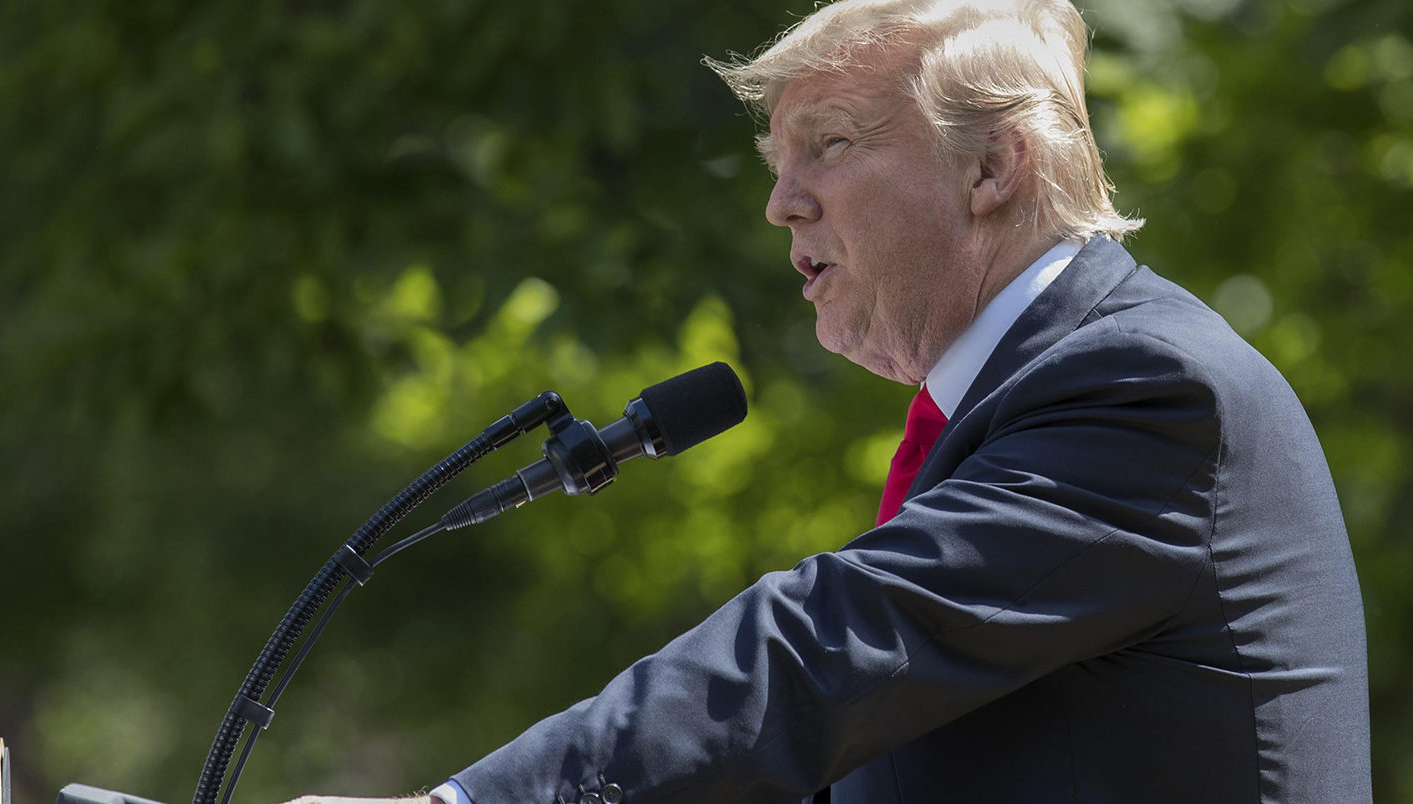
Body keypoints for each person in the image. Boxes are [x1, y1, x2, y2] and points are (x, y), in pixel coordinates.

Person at [292, 0, 1371, 801]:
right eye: (774, 158)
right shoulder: (1025, 404)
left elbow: (821, 651)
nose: (779, 202)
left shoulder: (1144, 391)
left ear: (992, 163)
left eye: (829, 145)